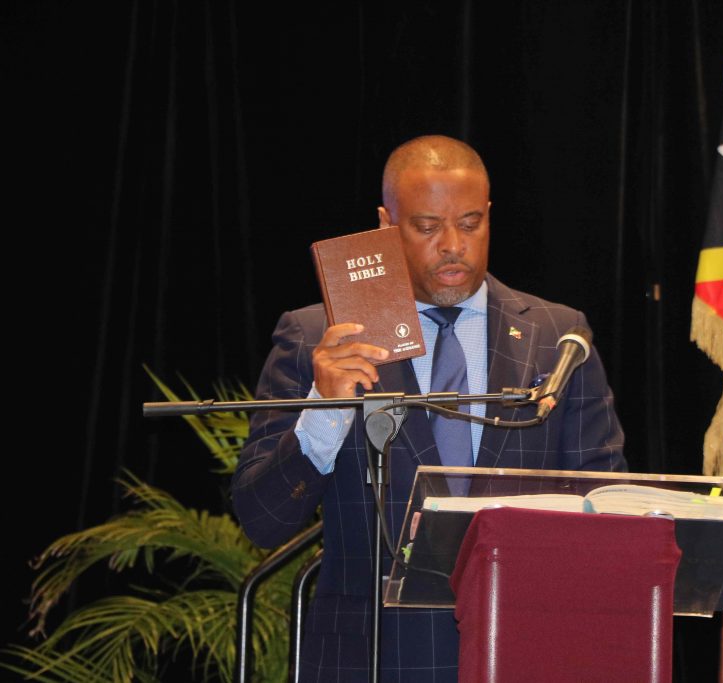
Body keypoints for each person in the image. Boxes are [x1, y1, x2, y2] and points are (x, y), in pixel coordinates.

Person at [231, 135, 626, 681]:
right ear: (384, 225)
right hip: (369, 657)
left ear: (490, 216)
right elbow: (263, 519)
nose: (452, 245)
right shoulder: (317, 338)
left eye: (469, 224)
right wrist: (324, 407)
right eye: (425, 227)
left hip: (519, 648)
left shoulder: (557, 337)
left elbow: (605, 500)